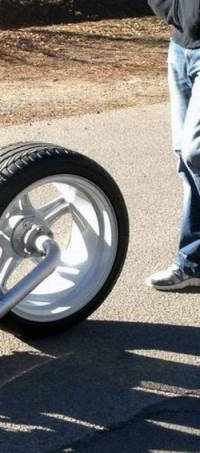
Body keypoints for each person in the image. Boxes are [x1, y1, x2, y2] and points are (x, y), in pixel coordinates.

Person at [147, 1, 200, 290]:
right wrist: (177, 14)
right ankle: (193, 261)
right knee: (185, 157)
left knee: (196, 151)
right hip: (180, 48)